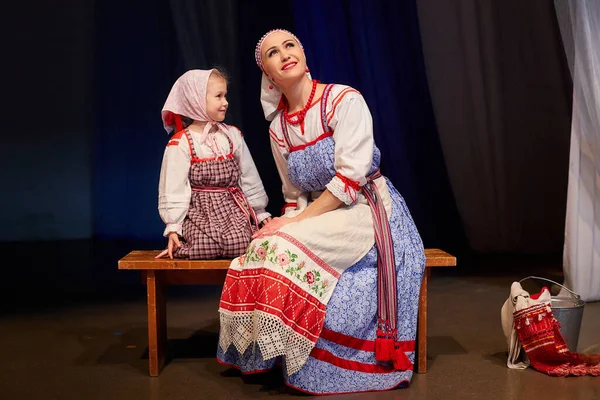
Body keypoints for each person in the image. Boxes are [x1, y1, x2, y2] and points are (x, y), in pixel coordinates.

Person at [216, 30, 426, 394]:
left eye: (289, 46)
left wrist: (296, 223)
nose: (284, 55)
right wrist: (289, 219)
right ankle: (271, 351)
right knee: (263, 245)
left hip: (367, 207)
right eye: (272, 53)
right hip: (320, 213)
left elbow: (351, 177)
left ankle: (331, 357)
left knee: (284, 242)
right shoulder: (279, 129)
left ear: (304, 54)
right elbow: (293, 193)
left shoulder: (342, 99)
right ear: (268, 73)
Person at [157, 69, 271, 260]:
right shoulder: (182, 142)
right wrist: (173, 227)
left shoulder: (232, 135)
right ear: (196, 100)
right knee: (203, 246)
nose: (225, 102)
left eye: (225, 96)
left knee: (241, 243)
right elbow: (173, 187)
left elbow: (248, 175)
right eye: (218, 96)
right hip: (200, 212)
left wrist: (259, 211)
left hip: (232, 210)